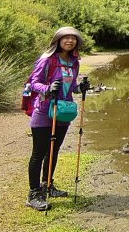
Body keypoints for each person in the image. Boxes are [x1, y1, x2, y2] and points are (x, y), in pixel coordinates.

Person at [25, 26, 90, 210]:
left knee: (53, 150)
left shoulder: (74, 62)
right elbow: (33, 83)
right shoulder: (47, 59)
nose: (70, 41)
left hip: (63, 111)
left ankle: (48, 185)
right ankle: (34, 194)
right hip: (44, 111)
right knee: (39, 153)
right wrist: (47, 89)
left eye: (73, 38)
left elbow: (71, 86)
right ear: (58, 40)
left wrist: (80, 88)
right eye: (66, 38)